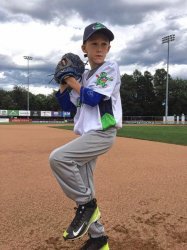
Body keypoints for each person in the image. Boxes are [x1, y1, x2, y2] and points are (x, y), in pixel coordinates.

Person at [49, 22, 122, 250]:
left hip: (101, 133)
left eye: (104, 44)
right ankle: (99, 240)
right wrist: (64, 83)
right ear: (84, 48)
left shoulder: (110, 68)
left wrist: (71, 80)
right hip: (86, 137)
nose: (100, 48)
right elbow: (68, 105)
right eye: (94, 44)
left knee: (59, 158)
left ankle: (87, 205)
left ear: (109, 48)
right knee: (86, 185)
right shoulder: (83, 76)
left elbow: (92, 98)